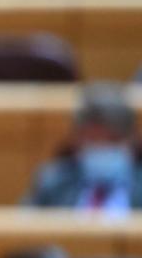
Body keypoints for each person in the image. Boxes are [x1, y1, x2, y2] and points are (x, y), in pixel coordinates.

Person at [24, 83, 142, 213]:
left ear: (132, 139)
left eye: (113, 140)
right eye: (92, 140)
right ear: (76, 140)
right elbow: (22, 228)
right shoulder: (54, 181)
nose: (101, 148)